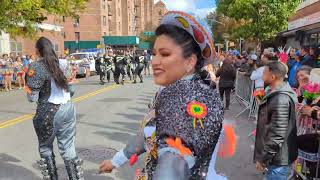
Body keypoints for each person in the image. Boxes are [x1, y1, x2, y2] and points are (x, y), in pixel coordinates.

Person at [99, 11, 225, 179]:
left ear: (190, 62)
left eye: (165, 54)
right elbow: (148, 133)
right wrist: (116, 160)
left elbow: (174, 162)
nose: (154, 61)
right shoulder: (172, 90)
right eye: (154, 53)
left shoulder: (188, 98)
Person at [24, 37, 84, 180]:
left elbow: (32, 97)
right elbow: (72, 90)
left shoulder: (36, 66)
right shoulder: (63, 63)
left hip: (48, 111)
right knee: (68, 148)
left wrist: (27, 90)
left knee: (45, 148)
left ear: (38, 50)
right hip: (68, 108)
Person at [254, 61, 298, 180]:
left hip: (278, 162)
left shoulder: (280, 98)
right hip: (275, 159)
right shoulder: (273, 92)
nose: (261, 75)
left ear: (272, 76)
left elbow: (277, 134)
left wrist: (263, 159)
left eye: (264, 72)